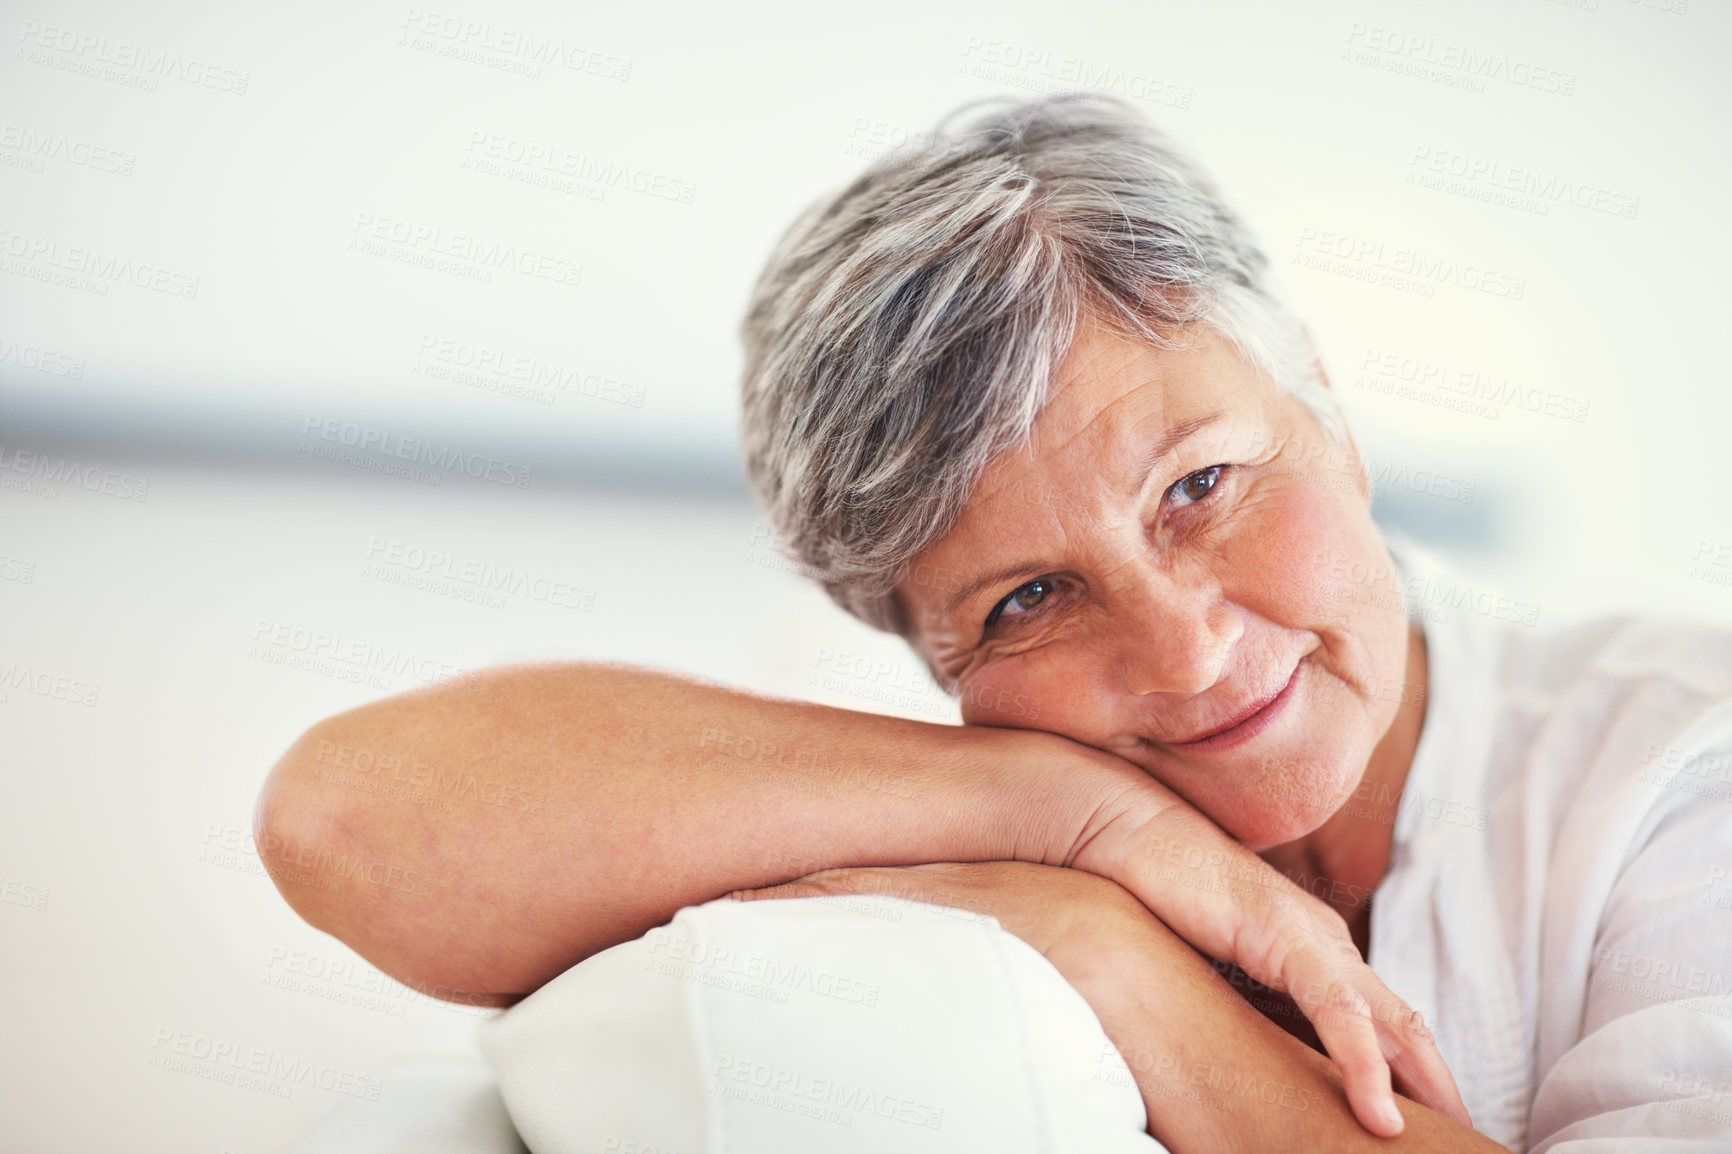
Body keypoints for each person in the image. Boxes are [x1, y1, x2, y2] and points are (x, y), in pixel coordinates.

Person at [254, 94, 1732, 1151]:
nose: (1188, 648)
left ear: (1327, 410)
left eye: (1200, 482)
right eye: (1025, 599)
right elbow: (345, 819)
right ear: (923, 653)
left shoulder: (1681, 759)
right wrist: (1079, 825)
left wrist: (1129, 973)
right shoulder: (999, 822)